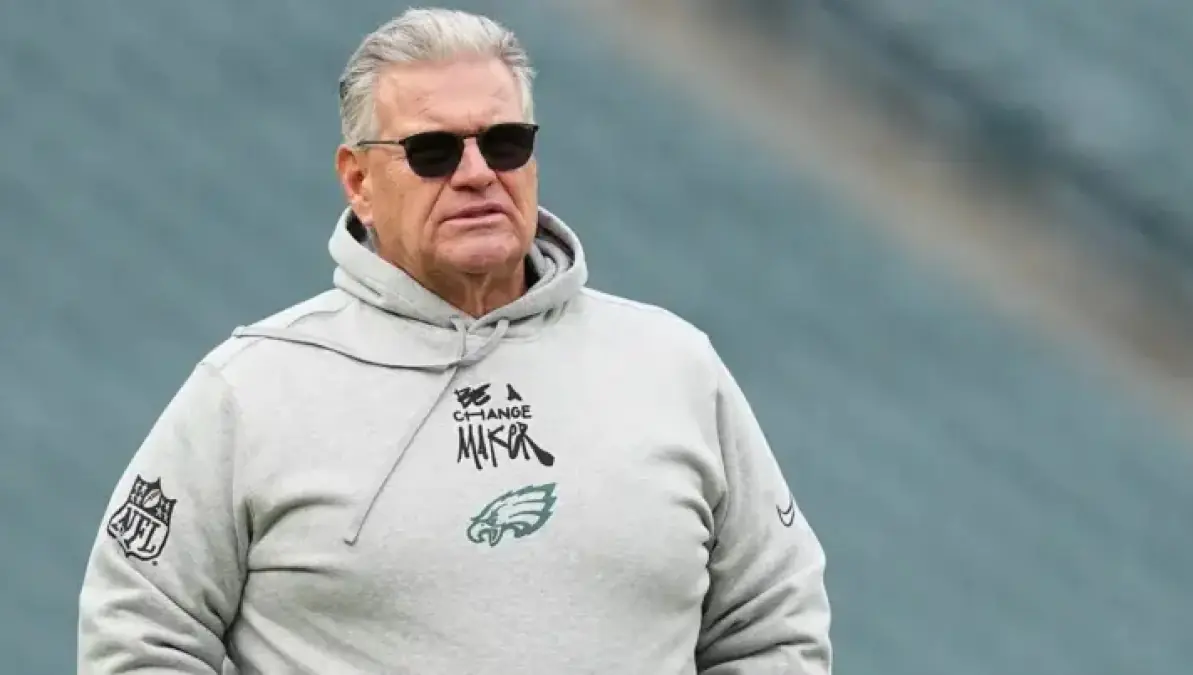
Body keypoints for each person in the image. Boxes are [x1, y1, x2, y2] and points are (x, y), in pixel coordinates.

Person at [77, 8, 832, 674]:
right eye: (433, 151)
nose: (476, 174)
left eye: (504, 142)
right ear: (358, 181)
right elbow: (138, 633)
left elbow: (774, 621)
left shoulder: (673, 367)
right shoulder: (248, 392)